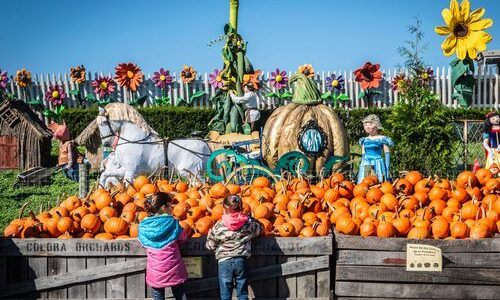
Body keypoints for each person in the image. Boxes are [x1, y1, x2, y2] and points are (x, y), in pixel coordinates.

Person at [206, 194, 263, 300]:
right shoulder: (248, 224)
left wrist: (216, 248)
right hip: (241, 260)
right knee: (242, 292)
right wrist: (252, 219)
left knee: (225, 293)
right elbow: (260, 229)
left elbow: (210, 244)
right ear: (241, 207)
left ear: (224, 208)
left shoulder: (219, 226)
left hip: (224, 262)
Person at [138, 192, 188, 300]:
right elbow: (182, 238)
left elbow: (142, 243)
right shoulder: (173, 223)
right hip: (174, 268)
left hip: (155, 270)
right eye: (170, 205)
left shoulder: (143, 227)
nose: (172, 208)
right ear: (164, 208)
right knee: (179, 293)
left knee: (158, 295)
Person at [357, 114, 394, 184]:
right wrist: (362, 164)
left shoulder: (382, 139)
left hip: (377, 163)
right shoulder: (364, 140)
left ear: (377, 125)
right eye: (365, 125)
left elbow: (387, 153)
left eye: (370, 124)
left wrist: (387, 168)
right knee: (366, 183)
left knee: (378, 182)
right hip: (366, 163)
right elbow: (363, 154)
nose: (367, 127)